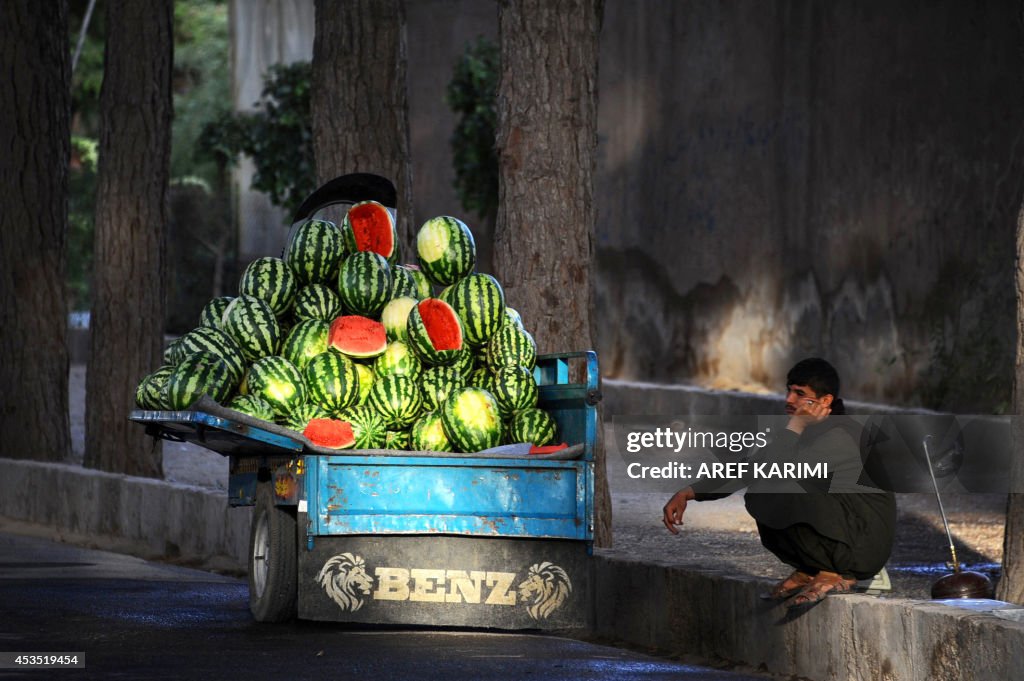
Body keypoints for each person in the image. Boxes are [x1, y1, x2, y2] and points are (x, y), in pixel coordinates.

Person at [661, 357, 896, 608]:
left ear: (825, 401)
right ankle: (811, 567)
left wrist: (795, 425)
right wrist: (689, 492)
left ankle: (834, 571)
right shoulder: (808, 433)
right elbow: (748, 468)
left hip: (862, 548)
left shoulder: (842, 435)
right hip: (846, 536)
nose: (789, 400)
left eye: (799, 394)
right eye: (789, 391)